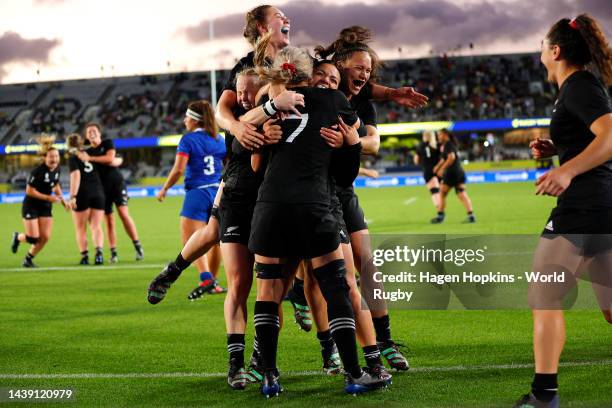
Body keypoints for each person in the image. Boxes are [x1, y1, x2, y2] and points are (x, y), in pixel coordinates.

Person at [245, 45, 387, 397]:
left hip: (269, 207)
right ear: (308, 76)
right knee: (337, 287)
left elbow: (253, 163)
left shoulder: (270, 109)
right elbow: (345, 173)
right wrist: (352, 144)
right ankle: (354, 373)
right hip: (314, 205)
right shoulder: (335, 102)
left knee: (268, 291)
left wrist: (266, 135)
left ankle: (269, 377)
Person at [515, 14, 612, 408]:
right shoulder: (576, 89)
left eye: (542, 43)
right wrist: (561, 148)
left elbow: (610, 135)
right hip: (602, 204)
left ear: (555, 51)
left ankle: (544, 396)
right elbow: (593, 136)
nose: (540, 49)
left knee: (544, 294)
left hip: (583, 206)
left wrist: (566, 170)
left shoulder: (578, 86)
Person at [315, 26, 410, 371]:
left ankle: (384, 342)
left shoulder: (361, 101)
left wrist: (349, 141)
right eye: (358, 67)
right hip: (313, 194)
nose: (364, 74)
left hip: (343, 190)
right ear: (339, 66)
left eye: (368, 70)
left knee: (368, 266)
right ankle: (330, 349)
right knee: (329, 278)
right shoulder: (316, 86)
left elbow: (374, 143)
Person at [156, 100, 227, 295]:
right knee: (215, 239)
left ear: (195, 120)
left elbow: (179, 169)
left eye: (187, 116)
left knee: (191, 240)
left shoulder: (188, 140)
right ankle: (213, 281)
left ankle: (206, 279)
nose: (184, 120)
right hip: (218, 193)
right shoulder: (219, 140)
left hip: (197, 193)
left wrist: (164, 188)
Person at [76, 122, 144, 263]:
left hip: (117, 184)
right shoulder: (87, 152)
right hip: (101, 190)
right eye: (89, 132)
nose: (92, 133)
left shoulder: (107, 143)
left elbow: (110, 158)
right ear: (86, 136)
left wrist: (91, 159)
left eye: (94, 130)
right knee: (109, 221)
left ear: (99, 133)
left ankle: (137, 245)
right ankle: (114, 253)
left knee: (124, 214)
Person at [11, 135, 68, 267]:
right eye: (51, 156)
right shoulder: (37, 171)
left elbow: (55, 185)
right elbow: (29, 191)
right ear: (44, 158)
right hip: (31, 205)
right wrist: (49, 198)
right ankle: (17, 237)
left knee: (45, 237)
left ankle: (28, 259)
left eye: (57, 156)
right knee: (32, 238)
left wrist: (64, 202)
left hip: (45, 206)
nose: (54, 159)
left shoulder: (58, 169)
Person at [66, 133, 106, 265]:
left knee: (80, 228)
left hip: (82, 193)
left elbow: (76, 176)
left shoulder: (73, 158)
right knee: (96, 226)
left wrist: (73, 196)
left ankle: (85, 257)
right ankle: (99, 254)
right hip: (98, 192)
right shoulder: (90, 154)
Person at [431, 128, 475, 224]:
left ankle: (440, 216)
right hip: (459, 172)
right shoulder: (450, 145)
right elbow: (444, 158)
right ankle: (471, 215)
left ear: (446, 135)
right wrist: (438, 167)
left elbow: (451, 158)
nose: (438, 137)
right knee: (462, 193)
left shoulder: (448, 144)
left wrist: (442, 169)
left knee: (442, 193)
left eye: (440, 135)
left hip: (451, 174)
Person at [413, 130, 441, 210]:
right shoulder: (437, 145)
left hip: (427, 170)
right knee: (439, 190)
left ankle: (439, 211)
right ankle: (441, 209)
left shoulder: (421, 146)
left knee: (434, 191)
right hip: (438, 170)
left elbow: (416, 161)